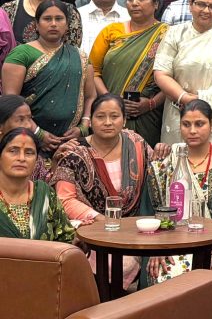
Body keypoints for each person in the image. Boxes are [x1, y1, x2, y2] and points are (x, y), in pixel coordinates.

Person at [51, 93, 154, 289]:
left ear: (124, 120)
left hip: (134, 232)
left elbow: (157, 177)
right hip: (91, 233)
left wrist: (163, 151)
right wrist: (102, 220)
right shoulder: (75, 152)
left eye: (114, 116)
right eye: (100, 116)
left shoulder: (136, 144)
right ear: (90, 121)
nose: (108, 122)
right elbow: (65, 200)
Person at [146, 99, 212, 282]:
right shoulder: (167, 161)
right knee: (159, 273)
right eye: (186, 124)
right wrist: (155, 248)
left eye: (199, 124)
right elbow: (151, 211)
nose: (192, 130)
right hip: (168, 241)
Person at [153, 0, 212, 150]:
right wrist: (185, 98)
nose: (206, 10)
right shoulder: (174, 33)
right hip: (178, 109)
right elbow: (161, 73)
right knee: (178, 160)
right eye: (201, 4)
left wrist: (203, 99)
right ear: (190, 4)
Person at [2, 0, 96, 144]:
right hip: (28, 139)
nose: (53, 24)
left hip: (72, 141)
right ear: (36, 25)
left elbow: (90, 96)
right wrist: (37, 133)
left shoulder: (81, 57)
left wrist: (83, 126)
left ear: (67, 25)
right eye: (47, 19)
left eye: (59, 19)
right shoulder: (21, 54)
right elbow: (11, 101)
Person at [90, 0, 168, 146]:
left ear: (156, 4)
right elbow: (93, 71)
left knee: (143, 156)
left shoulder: (167, 35)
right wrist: (111, 101)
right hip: (109, 112)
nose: (134, 3)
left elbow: (174, 78)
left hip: (149, 115)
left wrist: (150, 104)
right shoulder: (111, 31)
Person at [0, 128, 75, 241]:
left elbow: (66, 238)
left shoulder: (45, 194)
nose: (21, 158)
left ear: (36, 160)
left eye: (29, 153)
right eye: (13, 151)